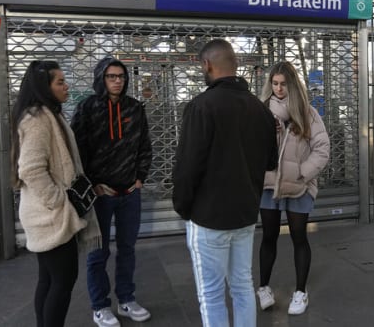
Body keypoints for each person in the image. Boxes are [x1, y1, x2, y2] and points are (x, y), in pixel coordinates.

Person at [172, 39, 278, 327]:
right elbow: (271, 162)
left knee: (211, 294)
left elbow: (186, 167)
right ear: (236, 65)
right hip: (245, 215)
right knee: (243, 286)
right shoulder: (260, 109)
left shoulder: (201, 107)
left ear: (207, 65)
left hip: (207, 218)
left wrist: (183, 208)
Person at [11, 60, 100, 327]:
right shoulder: (37, 119)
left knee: (49, 280)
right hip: (50, 216)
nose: (66, 85)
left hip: (48, 214)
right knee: (62, 281)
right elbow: (31, 170)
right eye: (60, 81)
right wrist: (59, 202)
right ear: (44, 87)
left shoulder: (49, 114)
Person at [71, 57, 153, 327]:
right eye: (111, 76)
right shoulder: (87, 108)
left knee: (127, 249)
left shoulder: (135, 108)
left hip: (130, 193)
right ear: (101, 78)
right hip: (101, 196)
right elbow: (77, 152)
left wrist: (140, 178)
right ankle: (100, 306)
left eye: (121, 76)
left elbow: (144, 146)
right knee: (98, 253)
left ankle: (127, 299)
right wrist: (92, 184)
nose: (118, 80)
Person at [256, 61, 330, 315]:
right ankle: (263, 287)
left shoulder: (307, 113)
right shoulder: (262, 111)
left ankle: (301, 292)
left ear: (293, 85)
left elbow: (322, 149)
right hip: (269, 186)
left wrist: (302, 173)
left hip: (298, 186)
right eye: (274, 84)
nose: (278, 89)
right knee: (268, 236)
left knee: (299, 236)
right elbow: (250, 146)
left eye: (283, 84)